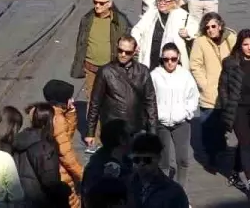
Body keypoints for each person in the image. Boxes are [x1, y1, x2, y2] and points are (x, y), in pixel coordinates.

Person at [86, 35, 158, 147]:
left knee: (134, 161)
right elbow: (95, 103)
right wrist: (90, 132)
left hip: (136, 127)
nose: (123, 54)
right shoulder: (105, 71)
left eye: (127, 52)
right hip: (112, 128)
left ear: (134, 52)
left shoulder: (143, 71)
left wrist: (152, 131)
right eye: (120, 50)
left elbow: (150, 102)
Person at [217, 29, 250, 193]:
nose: (249, 48)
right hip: (236, 109)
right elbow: (222, 87)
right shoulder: (230, 63)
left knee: (245, 142)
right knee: (245, 143)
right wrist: (227, 105)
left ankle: (234, 172)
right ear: (240, 45)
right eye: (246, 44)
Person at [188, 12, 235, 168]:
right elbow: (195, 65)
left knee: (223, 125)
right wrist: (205, 84)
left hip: (228, 92)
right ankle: (210, 157)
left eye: (213, 26)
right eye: (207, 27)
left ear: (220, 26)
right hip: (210, 94)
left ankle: (221, 151)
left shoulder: (231, 38)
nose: (210, 30)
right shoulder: (200, 42)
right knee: (208, 128)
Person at [150, 42, 198, 190]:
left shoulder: (185, 75)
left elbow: (193, 96)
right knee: (163, 161)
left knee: (182, 159)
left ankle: (180, 191)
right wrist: (155, 116)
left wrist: (187, 113)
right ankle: (164, 192)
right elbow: (149, 98)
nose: (170, 62)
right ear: (162, 59)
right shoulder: (155, 75)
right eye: (166, 59)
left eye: (173, 59)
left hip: (181, 123)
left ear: (178, 58)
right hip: (162, 123)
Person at [71, 0, 132, 102]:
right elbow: (81, 43)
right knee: (93, 102)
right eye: (95, 2)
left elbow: (128, 44)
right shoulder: (87, 19)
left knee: (111, 101)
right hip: (91, 69)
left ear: (109, 4)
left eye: (101, 3)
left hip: (112, 70)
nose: (97, 6)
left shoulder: (120, 21)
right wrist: (80, 65)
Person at [11, 102, 69, 208]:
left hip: (21, 200)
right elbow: (50, 183)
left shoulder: (20, 139)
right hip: (40, 201)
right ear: (49, 120)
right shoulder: (44, 147)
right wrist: (65, 190)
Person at [42, 79, 85, 208]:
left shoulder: (48, 113)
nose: (72, 100)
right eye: (69, 98)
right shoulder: (57, 119)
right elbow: (65, 152)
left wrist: (71, 113)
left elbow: (67, 136)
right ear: (60, 101)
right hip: (61, 172)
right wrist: (83, 174)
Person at [131, 0, 195, 69]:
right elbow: (137, 29)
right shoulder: (151, 14)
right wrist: (136, 42)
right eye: (159, 0)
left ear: (173, 2)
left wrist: (188, 33)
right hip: (152, 59)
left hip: (171, 61)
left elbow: (195, 29)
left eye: (165, 1)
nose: (162, 3)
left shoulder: (182, 15)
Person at [126, 133, 190, 208]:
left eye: (147, 160)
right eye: (136, 160)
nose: (141, 164)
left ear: (158, 158)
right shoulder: (125, 185)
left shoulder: (174, 192)